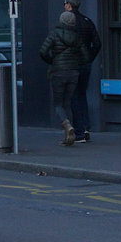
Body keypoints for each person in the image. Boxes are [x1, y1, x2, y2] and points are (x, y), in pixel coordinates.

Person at [40, 10, 89, 146]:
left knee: (58, 104)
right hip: (73, 73)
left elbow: (43, 51)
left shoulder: (54, 34)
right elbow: (86, 56)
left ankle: (67, 125)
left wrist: (52, 61)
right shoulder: (77, 36)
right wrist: (75, 62)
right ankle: (69, 135)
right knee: (68, 103)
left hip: (58, 72)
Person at [65, 0, 102, 143]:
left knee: (73, 96)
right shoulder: (87, 21)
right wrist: (89, 58)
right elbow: (97, 43)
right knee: (81, 94)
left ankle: (79, 132)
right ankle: (86, 128)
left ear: (68, 5)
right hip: (85, 64)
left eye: (64, 4)